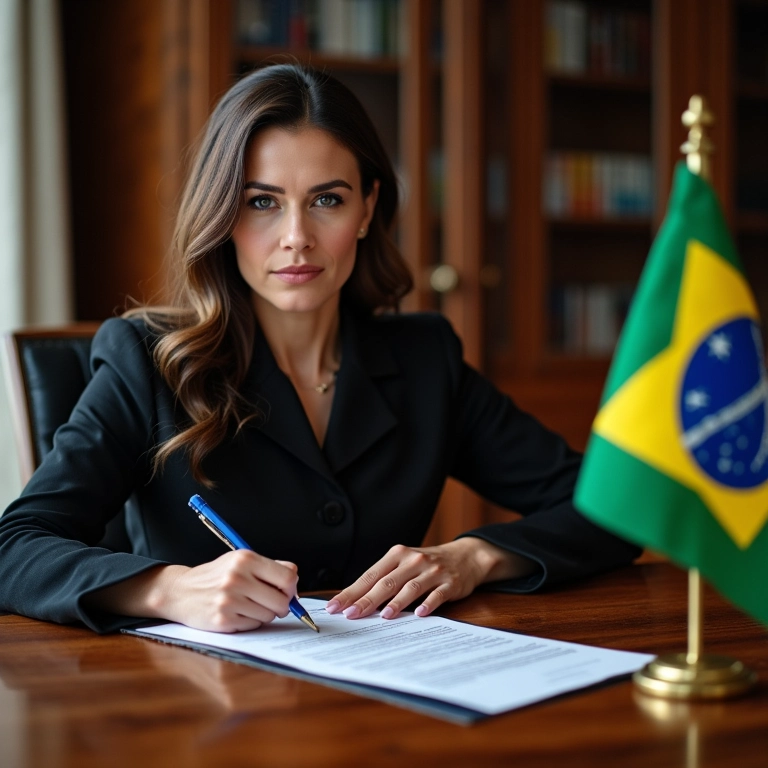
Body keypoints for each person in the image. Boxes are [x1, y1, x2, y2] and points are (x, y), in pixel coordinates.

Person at [0, 63, 639, 634]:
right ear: (223, 217)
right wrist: (168, 588)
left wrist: (472, 556)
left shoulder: (424, 359)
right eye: (262, 203)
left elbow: (618, 508)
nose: (297, 238)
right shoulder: (148, 359)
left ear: (367, 210)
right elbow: (16, 549)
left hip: (393, 706)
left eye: (327, 200)